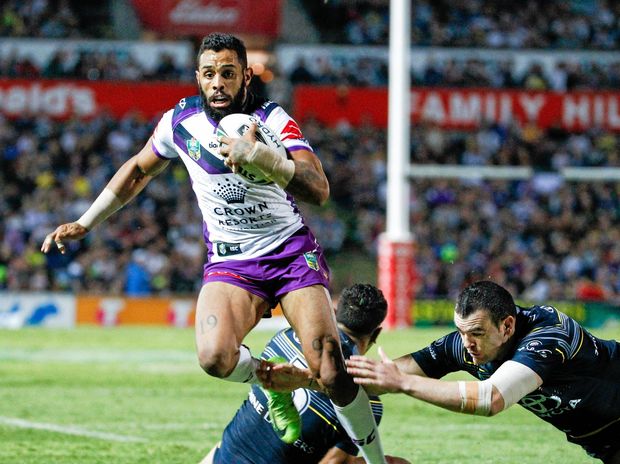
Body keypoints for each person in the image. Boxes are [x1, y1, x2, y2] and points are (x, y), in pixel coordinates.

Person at [40, 33, 387, 463]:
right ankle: (270, 383)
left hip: (289, 254)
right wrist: (85, 222)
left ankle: (375, 461)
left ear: (245, 76)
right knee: (214, 356)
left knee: (332, 371)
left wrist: (261, 156)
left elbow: (318, 188)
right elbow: (136, 170)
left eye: (227, 73)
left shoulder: (273, 119)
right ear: (198, 78)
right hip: (232, 261)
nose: (218, 82)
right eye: (209, 74)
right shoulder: (179, 122)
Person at [345, 280, 620, 463]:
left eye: (477, 332)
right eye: (462, 331)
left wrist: (403, 383)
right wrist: (312, 378)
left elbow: (490, 398)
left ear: (507, 326)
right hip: (602, 439)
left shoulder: (548, 336)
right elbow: (384, 376)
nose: (468, 344)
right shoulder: (465, 344)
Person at [201, 283, 410, 464]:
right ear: (376, 334)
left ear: (335, 312)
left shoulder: (285, 337)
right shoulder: (363, 398)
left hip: (223, 456)